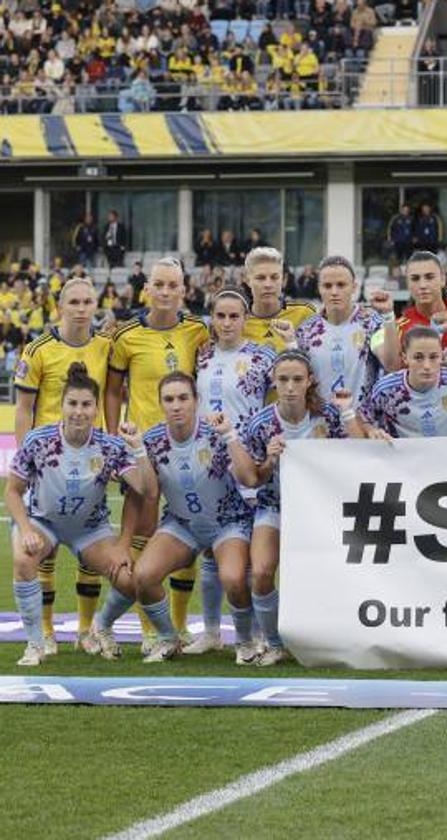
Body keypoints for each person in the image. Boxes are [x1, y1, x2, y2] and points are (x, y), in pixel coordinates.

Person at [5, 364, 151, 666]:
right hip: (43, 523)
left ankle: (100, 625)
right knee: (23, 558)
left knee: (130, 580)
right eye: (72, 403)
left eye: (86, 404)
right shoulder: (38, 440)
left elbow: (142, 490)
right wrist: (26, 529)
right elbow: (13, 492)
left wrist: (138, 449)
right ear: (61, 406)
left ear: (97, 409)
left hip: (90, 530)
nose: (79, 411)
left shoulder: (110, 446)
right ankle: (35, 643)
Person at [106, 257, 211, 645]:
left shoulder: (198, 331)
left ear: (185, 290)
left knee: (188, 536)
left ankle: (180, 626)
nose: (166, 292)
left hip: (185, 449)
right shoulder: (126, 335)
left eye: (173, 285)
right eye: (159, 285)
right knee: (144, 536)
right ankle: (150, 630)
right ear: (146, 289)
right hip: (142, 452)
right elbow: (114, 389)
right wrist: (118, 438)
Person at [120, 372, 258, 663]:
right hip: (182, 524)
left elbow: (249, 478)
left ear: (196, 401)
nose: (176, 405)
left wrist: (230, 436)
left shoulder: (214, 432)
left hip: (228, 521)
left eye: (183, 398)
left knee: (233, 578)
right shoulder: (153, 439)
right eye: (168, 399)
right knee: (142, 576)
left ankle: (245, 642)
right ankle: (169, 639)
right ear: (160, 404)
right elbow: (151, 493)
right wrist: (139, 451)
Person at [230, 350, 351, 665]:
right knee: (261, 572)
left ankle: (333, 636)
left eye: (297, 379)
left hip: (320, 509)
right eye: (283, 379)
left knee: (331, 573)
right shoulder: (260, 424)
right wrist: (270, 459)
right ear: (273, 381)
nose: (290, 387)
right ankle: (274, 642)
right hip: (274, 506)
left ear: (309, 381)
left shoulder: (330, 415)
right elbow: (254, 480)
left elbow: (356, 455)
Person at [13, 277, 112, 648]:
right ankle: (48, 631)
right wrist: (28, 459)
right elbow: (23, 409)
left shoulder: (105, 345)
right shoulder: (38, 349)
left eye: (88, 301)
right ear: (60, 306)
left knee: (90, 544)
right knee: (45, 548)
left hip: (91, 461)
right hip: (48, 461)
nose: (82, 308)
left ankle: (86, 631)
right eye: (74, 302)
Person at [187, 285, 276, 656]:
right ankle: (210, 631)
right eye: (220, 316)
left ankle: (256, 632)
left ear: (245, 319)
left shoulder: (262, 357)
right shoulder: (202, 357)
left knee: (253, 557)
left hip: (248, 461)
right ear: (212, 318)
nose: (226, 322)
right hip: (210, 465)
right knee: (211, 549)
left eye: (234, 316)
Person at [276, 256, 399, 406]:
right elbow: (299, 379)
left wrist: (388, 316)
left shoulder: (372, 323)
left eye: (341, 285)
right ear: (319, 288)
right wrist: (290, 343)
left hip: (361, 425)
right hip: (319, 424)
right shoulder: (306, 331)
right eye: (327, 286)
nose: (334, 292)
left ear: (354, 287)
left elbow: (392, 364)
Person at [241, 246, 318, 353]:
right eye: (261, 278)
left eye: (274, 277)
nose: (268, 284)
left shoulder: (304, 313)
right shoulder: (238, 322)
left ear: (284, 279)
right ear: (247, 280)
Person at [396, 250, 447, 351]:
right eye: (415, 279)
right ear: (407, 284)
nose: (422, 285)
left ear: (442, 280)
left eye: (429, 277)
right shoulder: (401, 328)